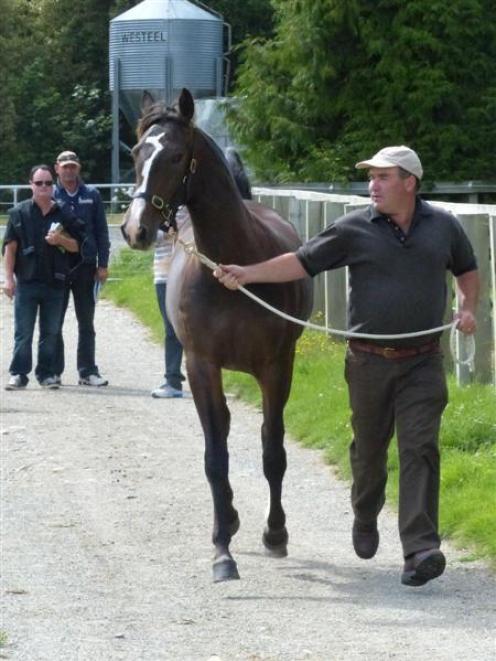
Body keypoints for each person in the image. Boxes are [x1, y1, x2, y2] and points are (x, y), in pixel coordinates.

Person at [214, 146, 480, 587]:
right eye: (371, 177)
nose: (372, 185)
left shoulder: (444, 227)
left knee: (420, 448)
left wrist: (469, 308)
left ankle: (420, 549)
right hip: (368, 362)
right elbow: (301, 262)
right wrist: (248, 273)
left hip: (424, 361)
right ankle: (364, 511)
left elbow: (467, 271)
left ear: (409, 182)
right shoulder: (354, 228)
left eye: (383, 177)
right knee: (369, 454)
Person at [3, 165, 85, 390]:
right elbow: (10, 248)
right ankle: (19, 374)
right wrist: (8, 279)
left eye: (48, 183)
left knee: (51, 333)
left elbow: (78, 246)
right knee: (23, 332)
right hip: (27, 282)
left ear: (53, 185)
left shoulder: (64, 214)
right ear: (31, 184)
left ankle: (47, 374)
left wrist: (61, 240)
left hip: (55, 283)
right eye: (39, 183)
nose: (44, 187)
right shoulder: (18, 213)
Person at [53, 150, 110, 386]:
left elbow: (101, 231)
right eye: (65, 166)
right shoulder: (51, 194)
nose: (69, 170)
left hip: (86, 266)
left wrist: (103, 264)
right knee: (54, 321)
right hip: (58, 266)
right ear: (57, 168)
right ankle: (53, 370)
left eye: (72, 166)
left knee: (86, 321)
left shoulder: (92, 195)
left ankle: (87, 370)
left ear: (79, 168)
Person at [150, 219, 187, 399]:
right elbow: (144, 237)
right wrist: (165, 233)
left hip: (190, 274)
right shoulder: (158, 208)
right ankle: (173, 380)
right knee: (171, 329)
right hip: (164, 274)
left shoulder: (188, 207)